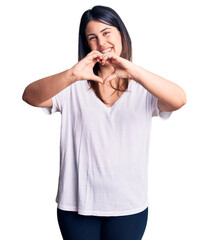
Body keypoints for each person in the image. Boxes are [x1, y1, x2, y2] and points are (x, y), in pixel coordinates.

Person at [22, 5, 186, 240]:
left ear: (121, 34)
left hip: (128, 207)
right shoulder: (72, 86)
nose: (101, 42)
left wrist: (133, 71)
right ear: (86, 44)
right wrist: (72, 74)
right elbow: (30, 96)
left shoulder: (144, 88)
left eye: (107, 32)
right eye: (92, 37)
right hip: (75, 206)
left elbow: (179, 100)